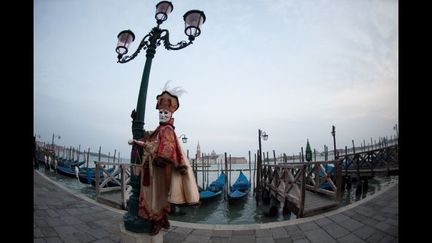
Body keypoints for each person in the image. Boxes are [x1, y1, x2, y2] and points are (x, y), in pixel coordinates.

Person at [128, 84, 199, 235]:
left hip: (157, 169)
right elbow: (148, 137)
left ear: (171, 114)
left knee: (156, 195)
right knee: (152, 195)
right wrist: (135, 123)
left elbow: (164, 148)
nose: (162, 115)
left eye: (165, 112)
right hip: (151, 168)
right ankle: (161, 219)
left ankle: (158, 220)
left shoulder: (167, 130)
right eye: (161, 112)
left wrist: (149, 149)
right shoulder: (160, 129)